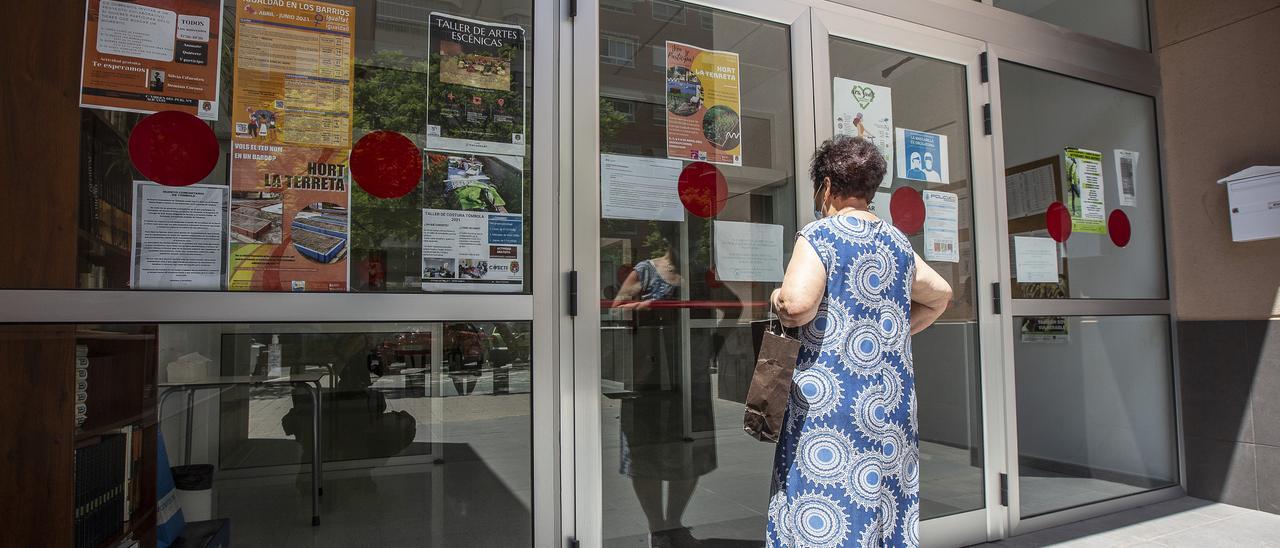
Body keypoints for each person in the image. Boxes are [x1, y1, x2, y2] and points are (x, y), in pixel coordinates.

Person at [766, 135, 952, 547]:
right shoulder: (898, 242)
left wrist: (777, 297)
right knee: (884, 510)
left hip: (832, 408)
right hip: (890, 405)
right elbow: (940, 295)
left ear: (828, 186)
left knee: (826, 507)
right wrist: (894, 333)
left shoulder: (820, 234)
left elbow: (797, 306)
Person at [611, 226, 717, 547]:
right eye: (687, 235)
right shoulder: (646, 269)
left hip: (689, 374)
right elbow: (616, 310)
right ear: (671, 238)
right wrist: (649, 308)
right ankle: (656, 526)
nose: (693, 241)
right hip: (650, 375)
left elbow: (734, 306)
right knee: (646, 449)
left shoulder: (701, 275)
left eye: (699, 237)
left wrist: (714, 345)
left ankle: (673, 522)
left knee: (689, 447)